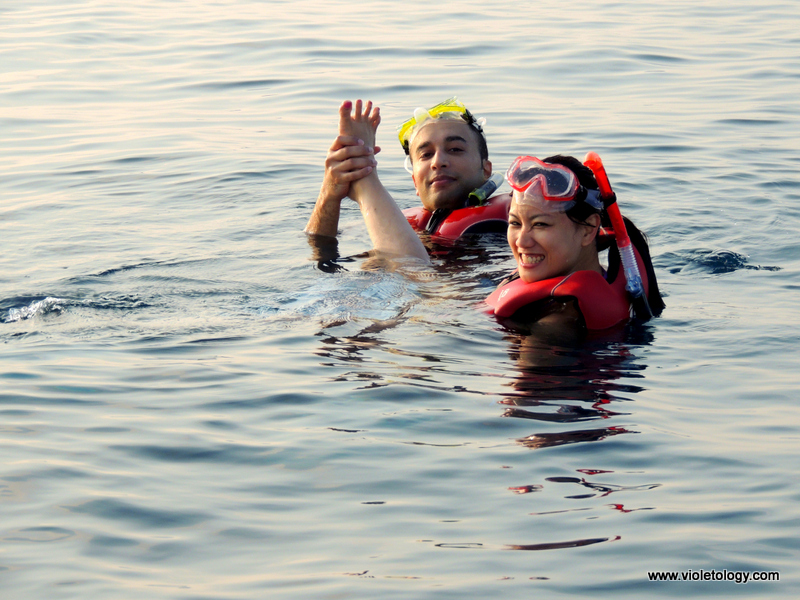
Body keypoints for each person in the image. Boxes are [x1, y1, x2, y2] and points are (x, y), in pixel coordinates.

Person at [486, 154, 665, 331]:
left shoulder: (557, 323)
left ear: (588, 229)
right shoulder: (553, 270)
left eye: (540, 224)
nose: (522, 241)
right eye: (515, 223)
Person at [305, 98, 511, 244]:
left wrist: (363, 174)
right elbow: (320, 243)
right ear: (414, 182)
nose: (438, 162)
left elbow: (412, 269)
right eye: (426, 154)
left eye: (455, 149)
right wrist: (329, 193)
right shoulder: (402, 221)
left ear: (486, 170)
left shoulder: (515, 216)